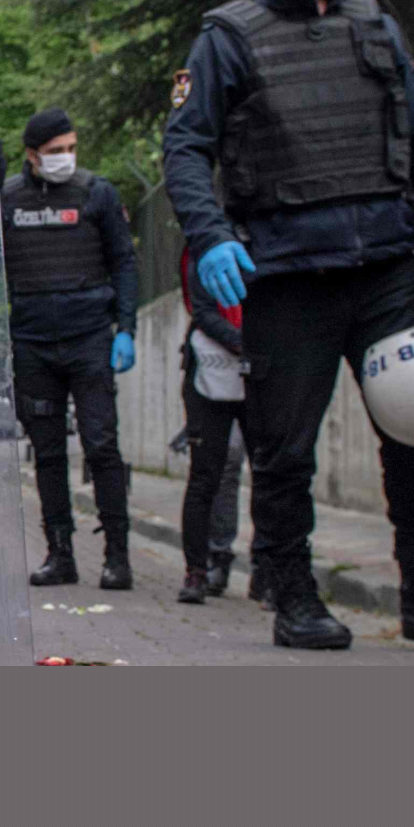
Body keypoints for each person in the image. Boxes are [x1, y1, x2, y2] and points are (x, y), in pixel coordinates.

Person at [160, 0, 414, 652]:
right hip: (288, 274)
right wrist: (211, 237)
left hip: (384, 268)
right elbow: (186, 146)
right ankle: (295, 597)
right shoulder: (228, 39)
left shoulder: (375, 26)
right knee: (284, 451)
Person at [0, 108, 138, 590]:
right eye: (56, 151)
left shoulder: (97, 192)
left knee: (102, 445)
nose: (66, 158)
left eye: (71, 149)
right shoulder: (8, 201)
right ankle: (61, 554)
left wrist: (127, 328)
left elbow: (124, 262)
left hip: (90, 338)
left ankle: (117, 556)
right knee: (48, 452)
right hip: (34, 342)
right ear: (32, 154)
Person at [171, 240, 249, 606]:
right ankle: (198, 570)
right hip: (212, 365)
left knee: (273, 470)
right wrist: (242, 342)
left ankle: (270, 572)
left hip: (263, 361)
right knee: (209, 471)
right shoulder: (203, 247)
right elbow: (202, 309)